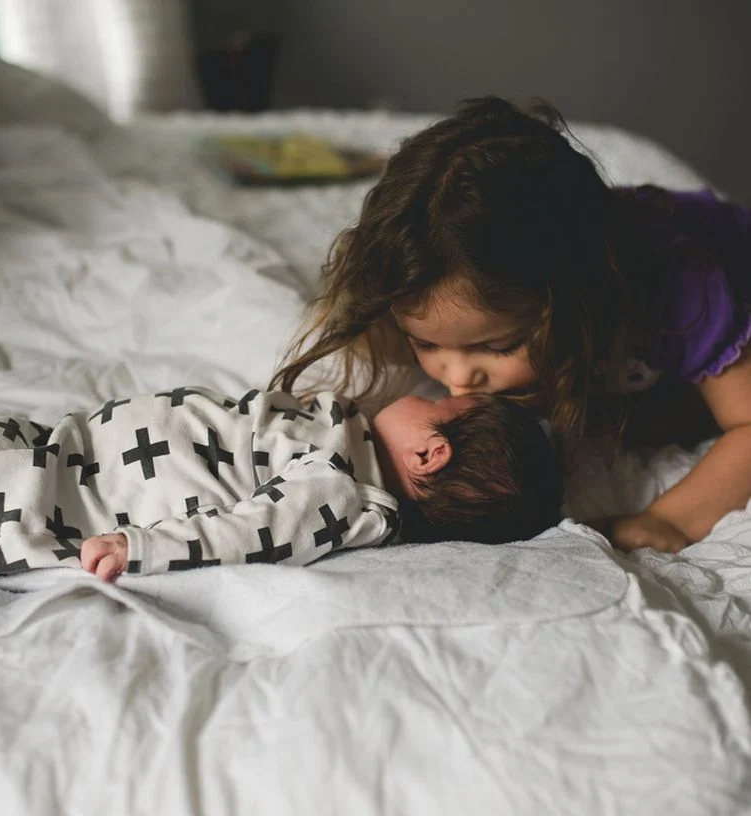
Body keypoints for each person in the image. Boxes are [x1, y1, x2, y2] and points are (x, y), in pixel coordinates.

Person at [271, 96, 751, 554]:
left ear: (580, 302)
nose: (458, 378)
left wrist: (668, 520)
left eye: (499, 346)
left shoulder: (684, 289)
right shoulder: (432, 286)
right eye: (425, 342)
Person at [0, 386, 561, 581]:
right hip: (77, 445)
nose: (425, 390)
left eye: (435, 403)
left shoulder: (340, 494)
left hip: (85, 491)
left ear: (429, 453)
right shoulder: (345, 442)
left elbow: (251, 535)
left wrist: (145, 548)